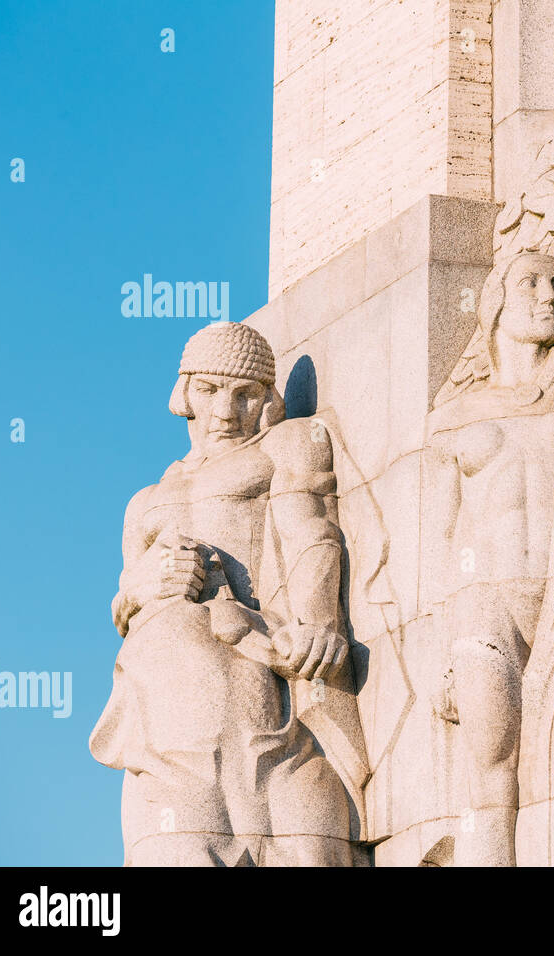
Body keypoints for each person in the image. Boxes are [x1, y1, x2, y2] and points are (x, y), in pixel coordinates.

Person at [91, 322, 363, 866]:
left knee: (307, 842)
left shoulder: (284, 446)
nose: (225, 411)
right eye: (211, 389)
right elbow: (124, 601)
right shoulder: (145, 501)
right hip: (165, 698)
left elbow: (312, 532)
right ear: (185, 392)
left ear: (268, 401)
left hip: (257, 677)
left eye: (246, 394)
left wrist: (317, 627)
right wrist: (148, 583)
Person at [423, 251, 554, 866]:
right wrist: (441, 648)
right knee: (491, 756)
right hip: (484, 603)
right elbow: (437, 536)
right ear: (497, 302)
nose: (549, 296)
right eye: (532, 283)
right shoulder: (456, 415)